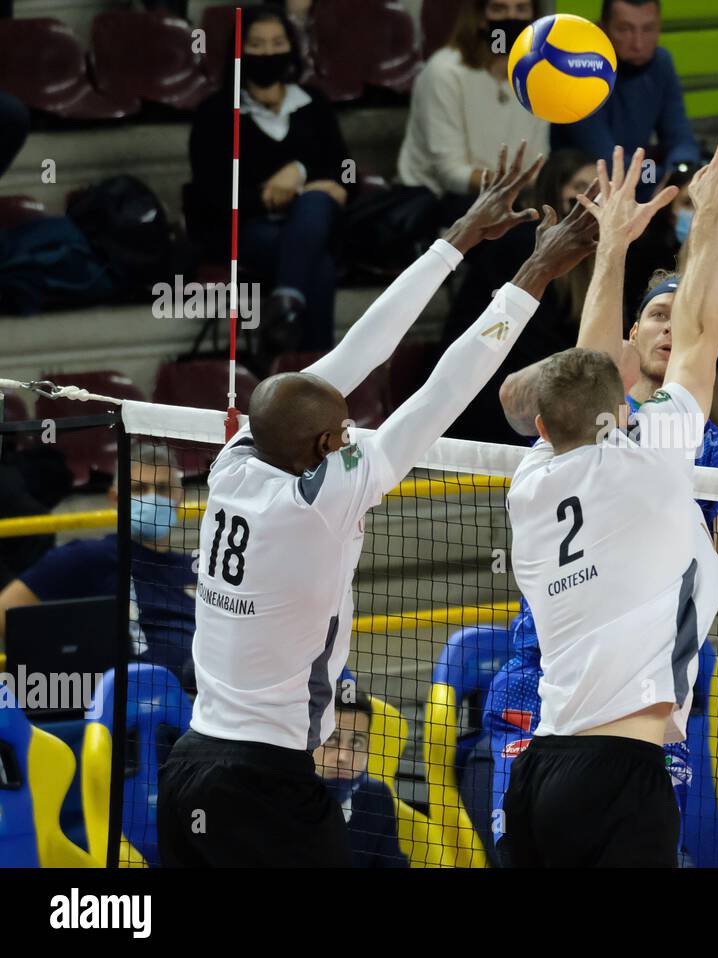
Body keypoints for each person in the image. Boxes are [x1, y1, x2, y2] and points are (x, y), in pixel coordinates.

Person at [156, 142, 599, 868]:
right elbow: (443, 393)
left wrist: (456, 240)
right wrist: (535, 272)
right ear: (319, 447)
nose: (349, 433)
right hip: (262, 785)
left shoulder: (240, 459)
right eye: (339, 432)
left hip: (194, 765)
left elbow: (355, 352)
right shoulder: (318, 500)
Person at [499, 122, 718, 868]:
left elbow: (590, 365)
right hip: (622, 772)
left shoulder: (532, 477)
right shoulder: (652, 461)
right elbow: (700, 336)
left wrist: (614, 245)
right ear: (619, 404)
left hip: (541, 765)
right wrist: (712, 217)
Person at [188, 4, 351, 367]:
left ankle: (285, 312)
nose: (268, 53)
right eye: (257, 45)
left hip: (316, 224)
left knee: (314, 207)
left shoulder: (314, 104)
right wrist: (269, 196)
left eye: (277, 42)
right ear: (239, 50)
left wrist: (298, 172)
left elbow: (345, 174)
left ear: (291, 47)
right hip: (247, 229)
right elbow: (211, 195)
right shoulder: (215, 114)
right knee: (318, 263)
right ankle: (316, 373)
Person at [439, 149, 600, 445]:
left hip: (539, 391)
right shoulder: (521, 246)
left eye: (597, 192)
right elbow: (523, 345)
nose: (588, 200)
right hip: (486, 396)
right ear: (554, 191)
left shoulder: (597, 255)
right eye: (579, 188)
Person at [0, 442, 196, 679]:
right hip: (123, 701)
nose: (152, 498)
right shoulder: (87, 557)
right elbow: (5, 611)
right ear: (115, 498)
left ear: (179, 495)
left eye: (163, 488)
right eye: (138, 488)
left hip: (201, 696)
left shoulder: (195, 568)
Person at [397, 0, 549, 226]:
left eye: (522, 8)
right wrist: (514, 188)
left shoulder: (538, 74)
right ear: (479, 17)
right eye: (499, 9)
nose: (512, 18)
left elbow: (538, 161)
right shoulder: (445, 72)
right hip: (441, 201)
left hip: (511, 197)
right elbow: (450, 173)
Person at [552, 0, 700, 200]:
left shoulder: (661, 62)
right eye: (625, 30)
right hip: (583, 197)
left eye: (648, 29)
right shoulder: (578, 74)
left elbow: (680, 137)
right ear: (602, 28)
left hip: (642, 184)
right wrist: (667, 178)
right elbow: (609, 164)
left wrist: (682, 170)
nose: (638, 43)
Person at [313, 683, 407, 868]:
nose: (343, 757)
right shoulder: (276, 796)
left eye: (356, 742)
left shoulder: (377, 796)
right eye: (331, 739)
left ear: (368, 749)